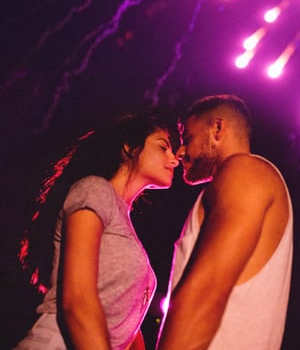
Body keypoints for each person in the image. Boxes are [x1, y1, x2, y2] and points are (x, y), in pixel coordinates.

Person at [14, 111, 180, 350]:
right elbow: (77, 301)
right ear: (128, 146)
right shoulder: (94, 190)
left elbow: (125, 328)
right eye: (163, 147)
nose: (174, 159)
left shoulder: (126, 226)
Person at [157, 94, 293, 349]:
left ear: (217, 129)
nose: (181, 152)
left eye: (188, 139)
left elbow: (206, 292)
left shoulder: (244, 171)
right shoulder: (243, 179)